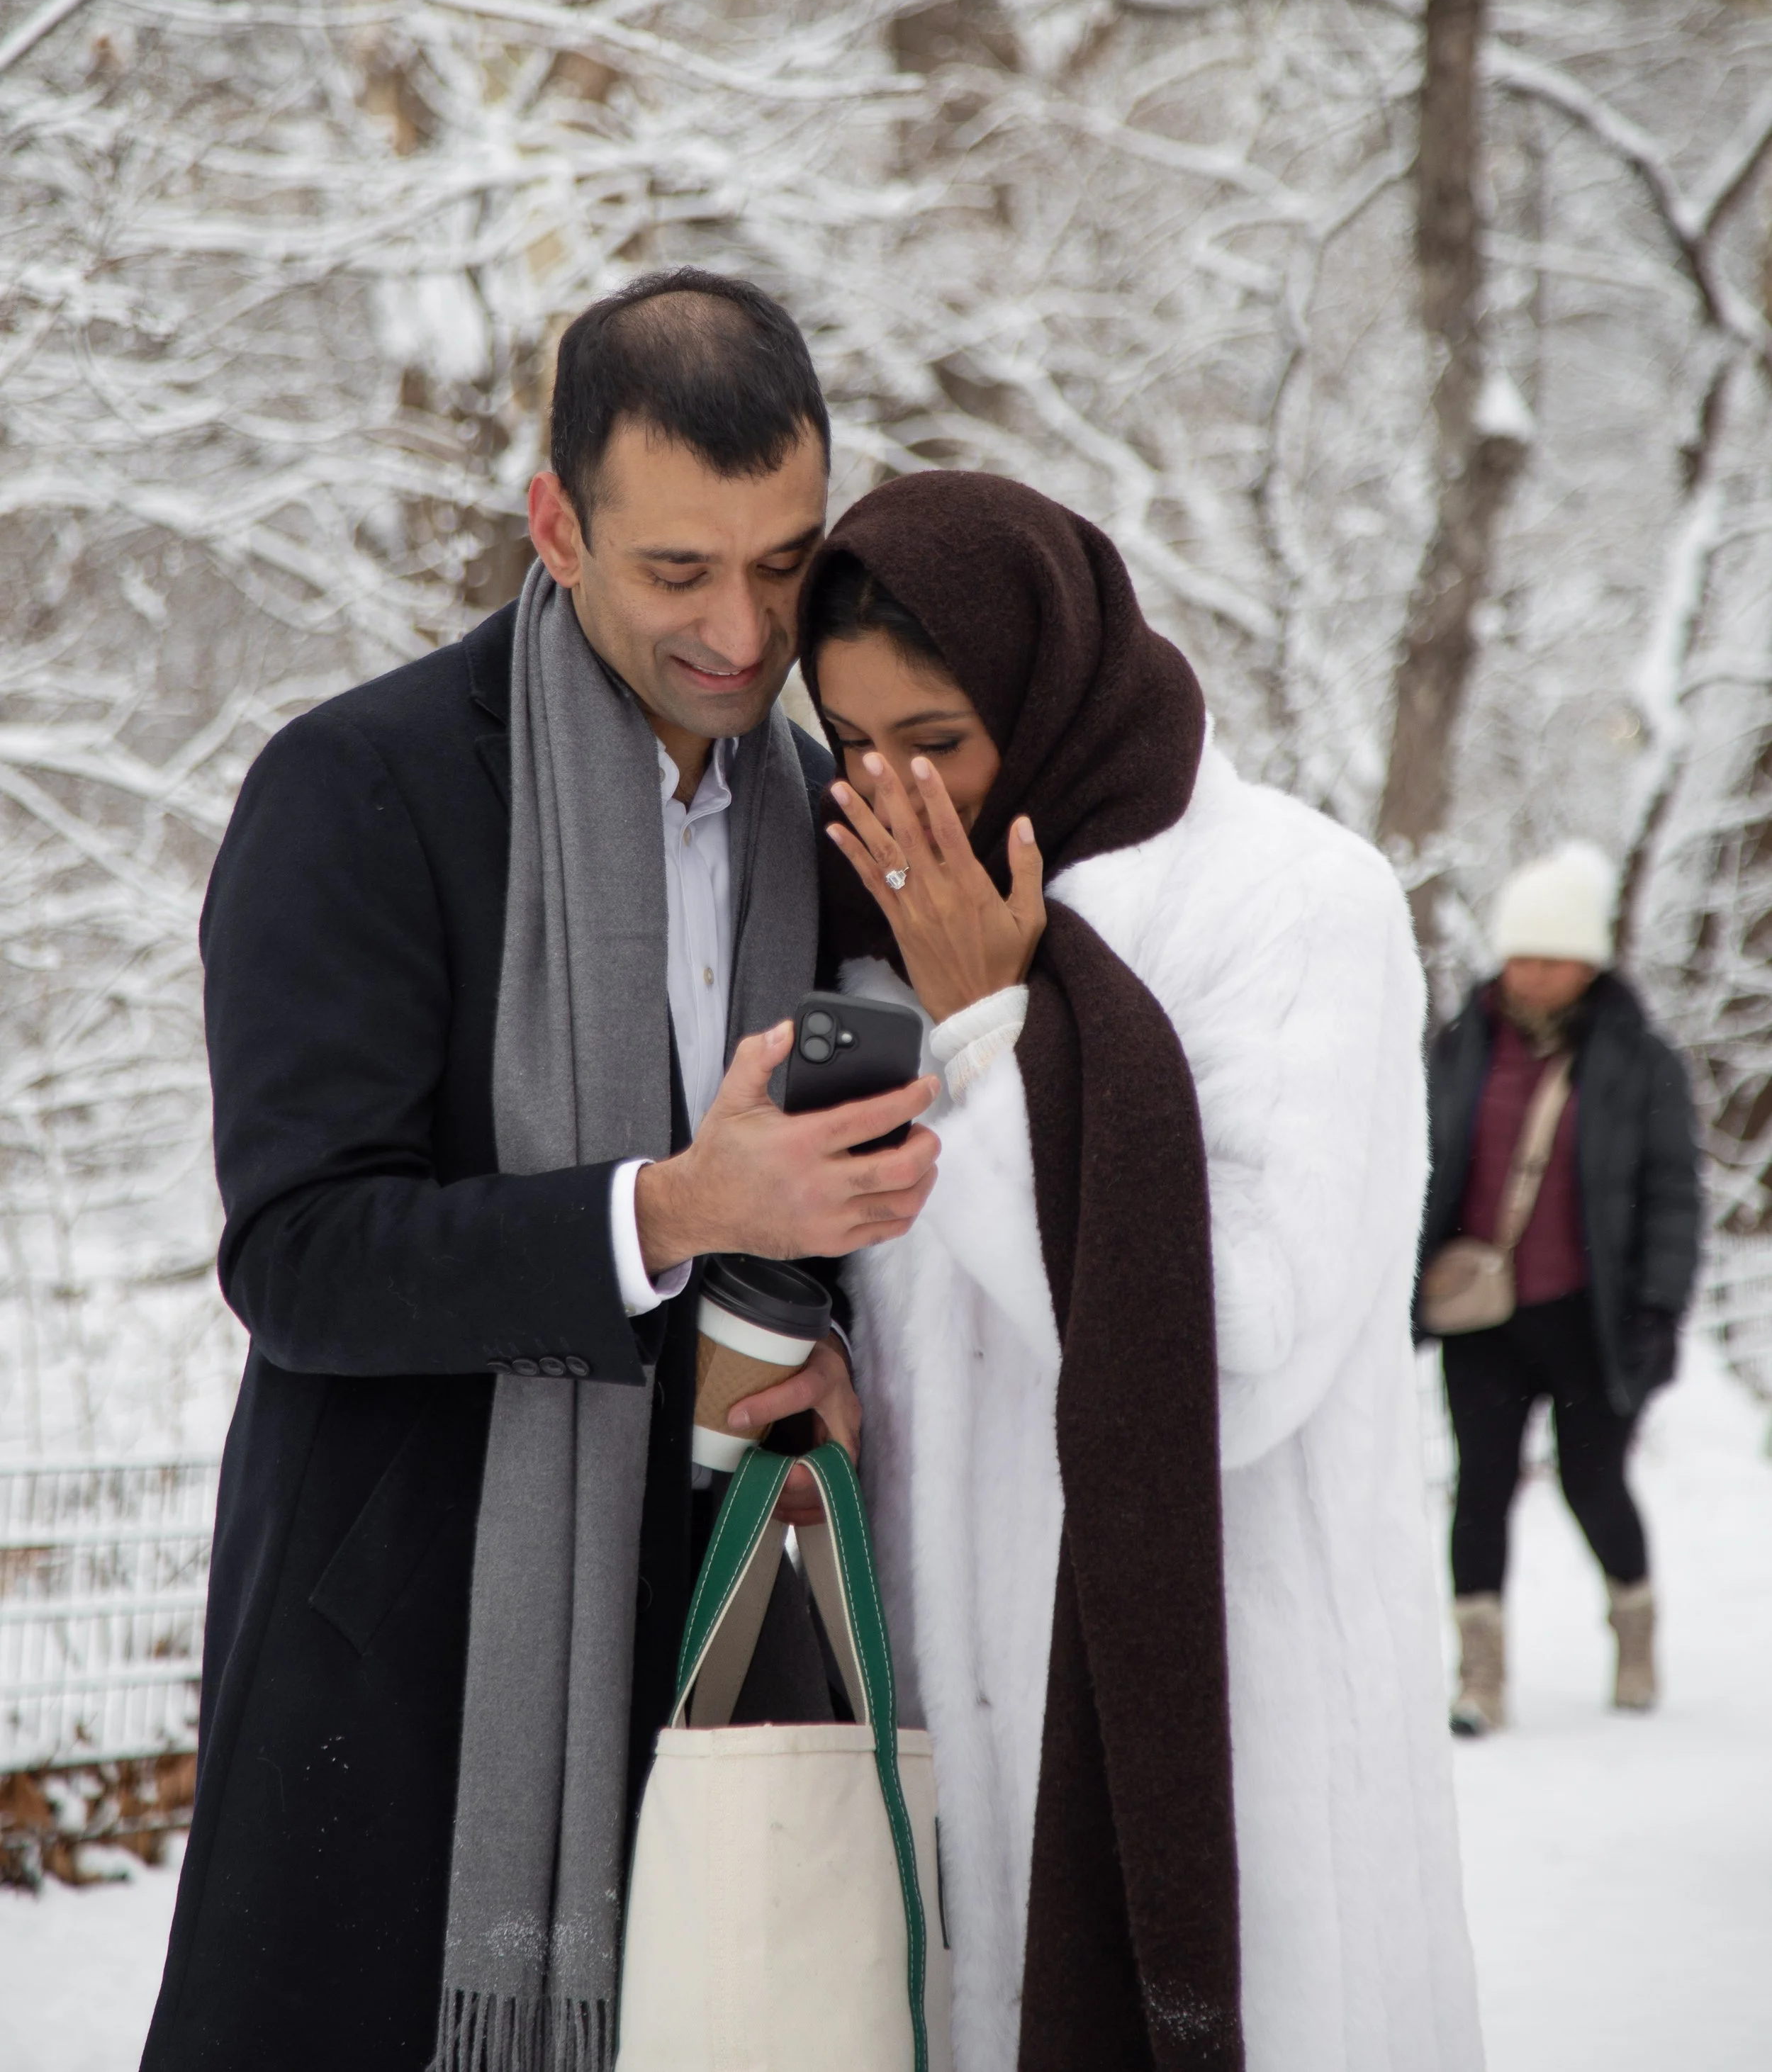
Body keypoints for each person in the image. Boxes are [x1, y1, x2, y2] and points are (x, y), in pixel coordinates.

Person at [141, 272, 942, 2072]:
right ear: (555, 524)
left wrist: (839, 1347)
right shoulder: (361, 787)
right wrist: (673, 1211)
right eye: (678, 571)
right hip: (414, 1660)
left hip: (719, 1646)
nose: (742, 632)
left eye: (784, 561)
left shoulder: (827, 824)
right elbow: (302, 1250)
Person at [799, 473, 1483, 2072]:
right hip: (955, 1760)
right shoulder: (863, 925)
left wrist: (986, 1043)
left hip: (1231, 1752)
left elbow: (1230, 1358)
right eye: (847, 745)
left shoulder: (1289, 906)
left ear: (1046, 689)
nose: (894, 796)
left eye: (939, 741)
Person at [1415, 843, 1701, 1736]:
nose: (1533, 972)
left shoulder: (1638, 1060)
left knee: (1593, 1484)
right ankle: (1480, 1675)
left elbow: (1670, 1192)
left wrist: (1659, 1309)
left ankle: (1634, 1626)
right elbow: (1419, 1167)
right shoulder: (1459, 1045)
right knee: (1481, 1486)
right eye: (1521, 954)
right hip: (1482, 1319)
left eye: (1553, 956)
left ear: (1588, 962)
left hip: (1591, 1319)